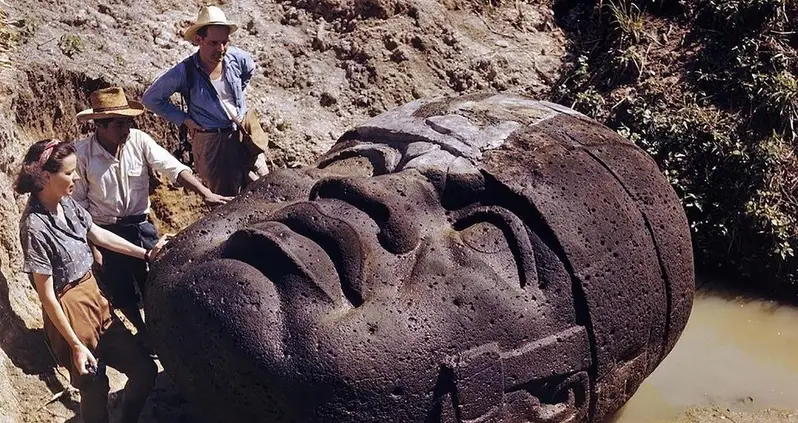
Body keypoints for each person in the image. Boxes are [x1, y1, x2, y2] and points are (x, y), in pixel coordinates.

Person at [17, 139, 166, 423]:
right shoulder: (34, 226)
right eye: (69, 172)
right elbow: (46, 294)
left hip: (96, 297)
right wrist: (74, 344)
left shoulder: (67, 203)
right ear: (47, 177)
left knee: (144, 369)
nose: (76, 177)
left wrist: (145, 254)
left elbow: (96, 233)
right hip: (70, 311)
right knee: (95, 388)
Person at [72, 86, 232, 337]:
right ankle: (142, 330)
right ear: (99, 126)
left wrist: (205, 192)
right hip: (104, 231)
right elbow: (78, 204)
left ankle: (163, 331)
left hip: (140, 226)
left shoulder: (139, 140)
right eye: (118, 125)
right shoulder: (82, 155)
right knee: (120, 287)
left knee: (156, 278)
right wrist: (92, 245)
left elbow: (172, 167)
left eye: (128, 123)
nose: (126, 130)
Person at [142, 5, 270, 196]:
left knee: (263, 188)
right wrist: (184, 119)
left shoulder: (236, 58)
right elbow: (151, 99)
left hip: (244, 134)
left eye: (225, 42)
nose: (220, 49)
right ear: (199, 40)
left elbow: (249, 69)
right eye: (213, 43)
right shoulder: (184, 72)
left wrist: (238, 104)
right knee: (225, 200)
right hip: (213, 141)